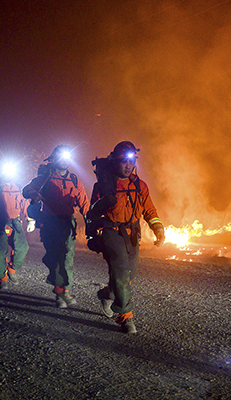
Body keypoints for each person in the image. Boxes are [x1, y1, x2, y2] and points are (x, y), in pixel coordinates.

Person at [89, 141, 165, 334]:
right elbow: (92, 213)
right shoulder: (104, 186)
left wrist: (158, 228)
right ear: (115, 161)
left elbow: (149, 210)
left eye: (131, 161)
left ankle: (107, 294)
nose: (128, 165)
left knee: (129, 275)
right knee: (121, 273)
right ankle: (125, 317)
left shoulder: (140, 185)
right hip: (111, 233)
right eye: (123, 161)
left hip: (132, 235)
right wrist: (96, 234)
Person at [22, 145, 90, 308]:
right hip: (50, 222)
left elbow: (84, 203)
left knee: (67, 257)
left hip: (67, 223)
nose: (64, 161)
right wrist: (34, 194)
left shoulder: (74, 180)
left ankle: (64, 291)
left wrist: (91, 222)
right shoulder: (45, 177)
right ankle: (60, 291)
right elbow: (26, 190)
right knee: (55, 257)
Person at [0, 170, 29, 289]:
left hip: (15, 221)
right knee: (0, 250)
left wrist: (30, 219)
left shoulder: (18, 186)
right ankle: (2, 278)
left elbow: (24, 203)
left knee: (22, 247)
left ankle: (12, 269)